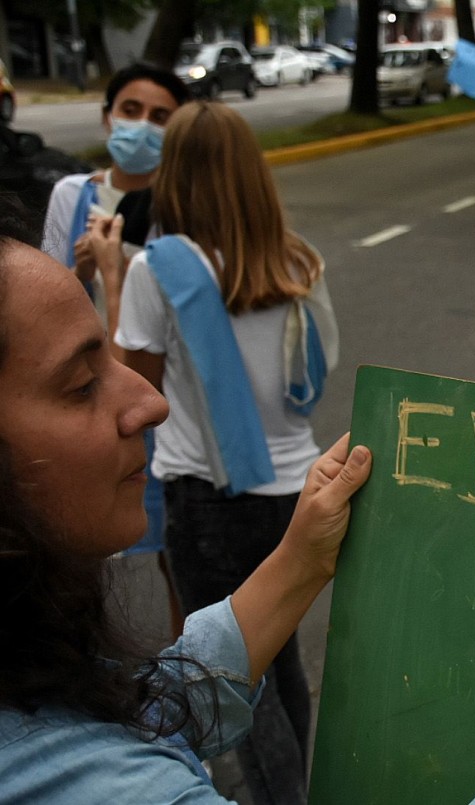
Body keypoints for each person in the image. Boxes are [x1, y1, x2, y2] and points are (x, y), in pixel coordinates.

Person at [0, 194, 475, 804]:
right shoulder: (93, 783)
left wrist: (299, 562)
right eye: (78, 385)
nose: (146, 400)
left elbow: (156, 708)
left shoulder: (38, 690)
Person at [106, 101, 335, 804]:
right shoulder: (295, 259)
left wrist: (111, 281)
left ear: (174, 173)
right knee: (285, 663)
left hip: (209, 497)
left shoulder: (158, 269)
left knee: (234, 674)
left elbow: (131, 388)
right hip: (296, 488)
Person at [40, 62, 190, 325]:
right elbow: (45, 298)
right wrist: (81, 272)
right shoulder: (71, 194)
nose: (142, 125)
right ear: (107, 117)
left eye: (159, 117)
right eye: (130, 111)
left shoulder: (185, 203)